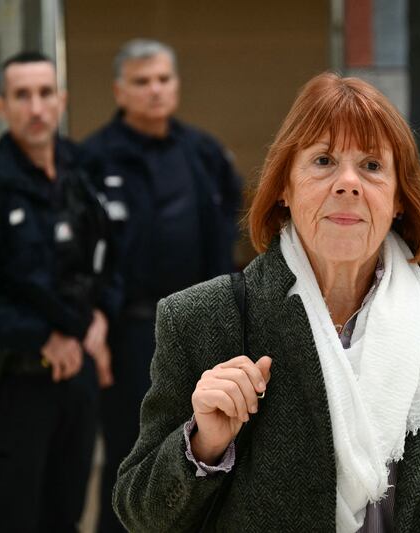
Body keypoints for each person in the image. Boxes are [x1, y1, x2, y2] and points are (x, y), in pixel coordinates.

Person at [113, 72, 420, 532]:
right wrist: (202, 444)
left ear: (400, 198)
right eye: (323, 161)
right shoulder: (202, 321)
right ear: (285, 187)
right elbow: (139, 513)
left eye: (372, 166)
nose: (348, 183)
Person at [0, 51, 118, 532]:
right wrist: (43, 337)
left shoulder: (84, 171)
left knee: (65, 514)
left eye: (45, 93)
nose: (35, 107)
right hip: (17, 383)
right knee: (12, 518)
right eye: (22, 95)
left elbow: (111, 256)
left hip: (77, 380)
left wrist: (102, 315)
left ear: (62, 101)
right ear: (1, 106)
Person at [81, 39, 242, 532]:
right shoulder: (92, 159)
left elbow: (231, 224)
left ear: (176, 85)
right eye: (141, 81)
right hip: (129, 332)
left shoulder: (203, 152)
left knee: (203, 447)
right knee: (130, 454)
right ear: (119, 90)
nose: (154, 90)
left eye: (163, 79)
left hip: (201, 323)